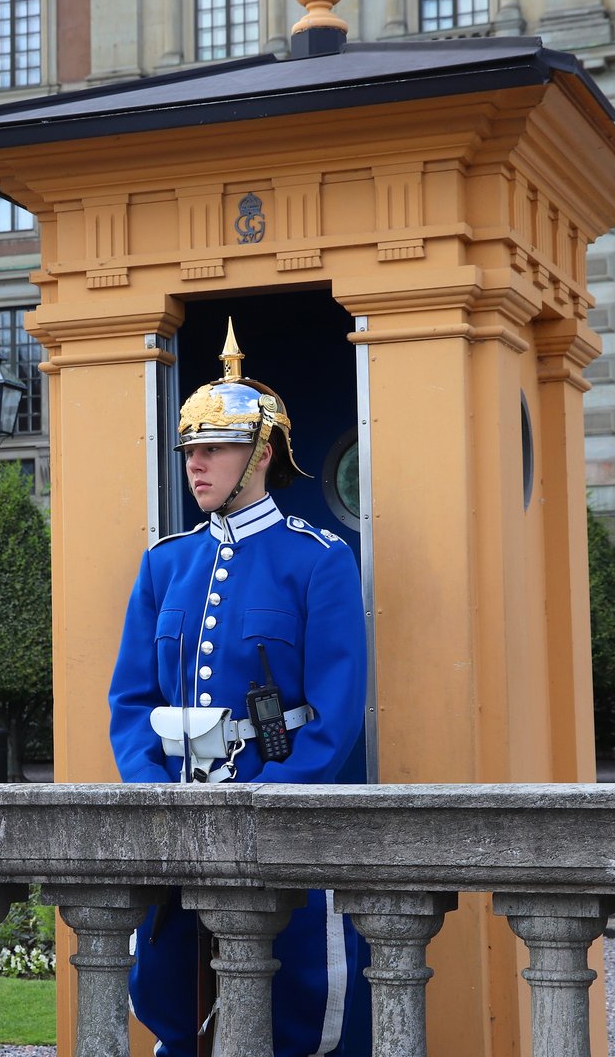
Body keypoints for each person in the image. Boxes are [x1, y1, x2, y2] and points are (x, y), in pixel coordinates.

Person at [107, 323, 371, 1057]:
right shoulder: (165, 564)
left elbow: (336, 708)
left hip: (272, 809)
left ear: (259, 454)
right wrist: (152, 787)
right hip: (177, 812)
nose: (196, 464)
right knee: (175, 996)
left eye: (212, 449)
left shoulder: (317, 561)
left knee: (291, 1007)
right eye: (190, 451)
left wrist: (276, 795)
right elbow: (129, 701)